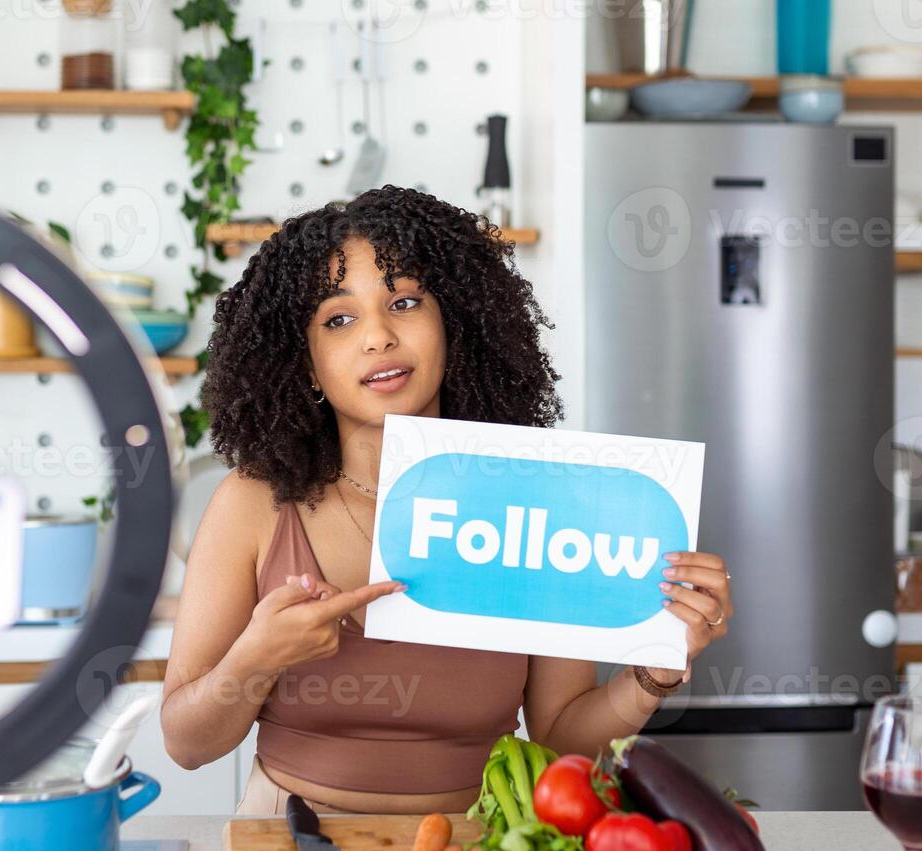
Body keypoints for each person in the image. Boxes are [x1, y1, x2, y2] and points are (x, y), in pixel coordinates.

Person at [160, 186, 733, 816]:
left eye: (404, 302)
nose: (378, 337)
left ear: (453, 324)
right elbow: (186, 745)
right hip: (288, 841)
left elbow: (561, 736)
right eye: (339, 319)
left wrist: (656, 670)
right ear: (304, 361)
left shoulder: (542, 502)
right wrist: (255, 658)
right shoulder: (251, 504)